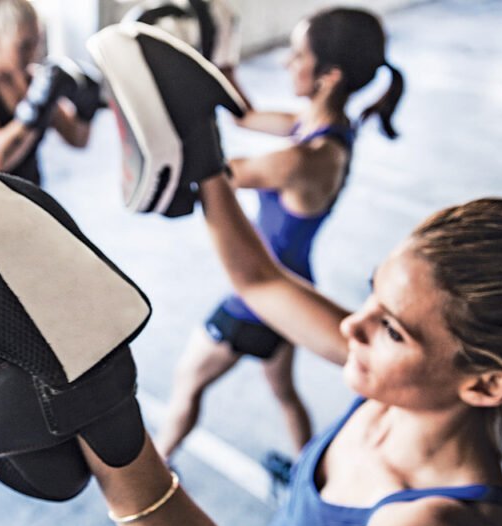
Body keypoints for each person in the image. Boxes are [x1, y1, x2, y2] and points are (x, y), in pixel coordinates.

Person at [83, 185, 502, 526]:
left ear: (487, 384)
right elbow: (258, 282)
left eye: (392, 329)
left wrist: (93, 408)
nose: (351, 326)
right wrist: (206, 167)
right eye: (371, 294)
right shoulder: (395, 385)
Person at [155, 8, 405, 467]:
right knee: (285, 393)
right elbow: (243, 114)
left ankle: (156, 473)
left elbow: (215, 176)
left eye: (296, 56)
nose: (286, 63)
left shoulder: (304, 158)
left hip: (260, 296)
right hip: (296, 290)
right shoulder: (323, 127)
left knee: (188, 381)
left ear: (328, 75)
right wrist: (221, 47)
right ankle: (304, 470)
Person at [0, 0, 101, 186]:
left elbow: (77, 139)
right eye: (24, 46)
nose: (33, 53)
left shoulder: (32, 79)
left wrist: (86, 108)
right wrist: (33, 110)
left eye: (37, 42)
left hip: (32, 197)